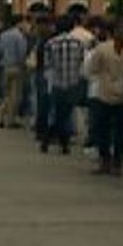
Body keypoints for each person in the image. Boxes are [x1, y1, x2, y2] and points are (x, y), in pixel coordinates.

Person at [85, 23, 123, 175]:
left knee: (108, 129)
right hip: (119, 93)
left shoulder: (103, 49)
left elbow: (92, 69)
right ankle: (113, 162)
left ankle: (109, 161)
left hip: (110, 93)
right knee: (115, 130)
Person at [41, 15, 87, 155]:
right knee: (65, 114)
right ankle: (62, 143)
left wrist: (49, 83)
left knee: (59, 113)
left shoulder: (50, 44)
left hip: (57, 83)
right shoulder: (79, 43)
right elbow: (82, 63)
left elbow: (47, 66)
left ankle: (50, 139)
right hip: (73, 83)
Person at [0, 15, 28, 128]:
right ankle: (11, 120)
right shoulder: (20, 36)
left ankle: (0, 116)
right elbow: (22, 53)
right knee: (15, 96)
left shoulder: (3, 35)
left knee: (7, 94)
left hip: (5, 66)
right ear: (19, 23)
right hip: (16, 67)